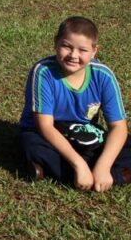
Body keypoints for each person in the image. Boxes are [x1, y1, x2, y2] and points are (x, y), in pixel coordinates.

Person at [19, 16, 131, 192]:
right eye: (66, 46)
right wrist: (79, 164)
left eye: (83, 50)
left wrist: (103, 165)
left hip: (84, 134)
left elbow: (119, 127)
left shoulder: (103, 75)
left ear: (94, 51)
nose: (73, 55)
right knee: (33, 145)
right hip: (47, 132)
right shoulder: (43, 72)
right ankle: (113, 175)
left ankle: (88, 172)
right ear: (56, 43)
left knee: (121, 143)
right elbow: (45, 127)